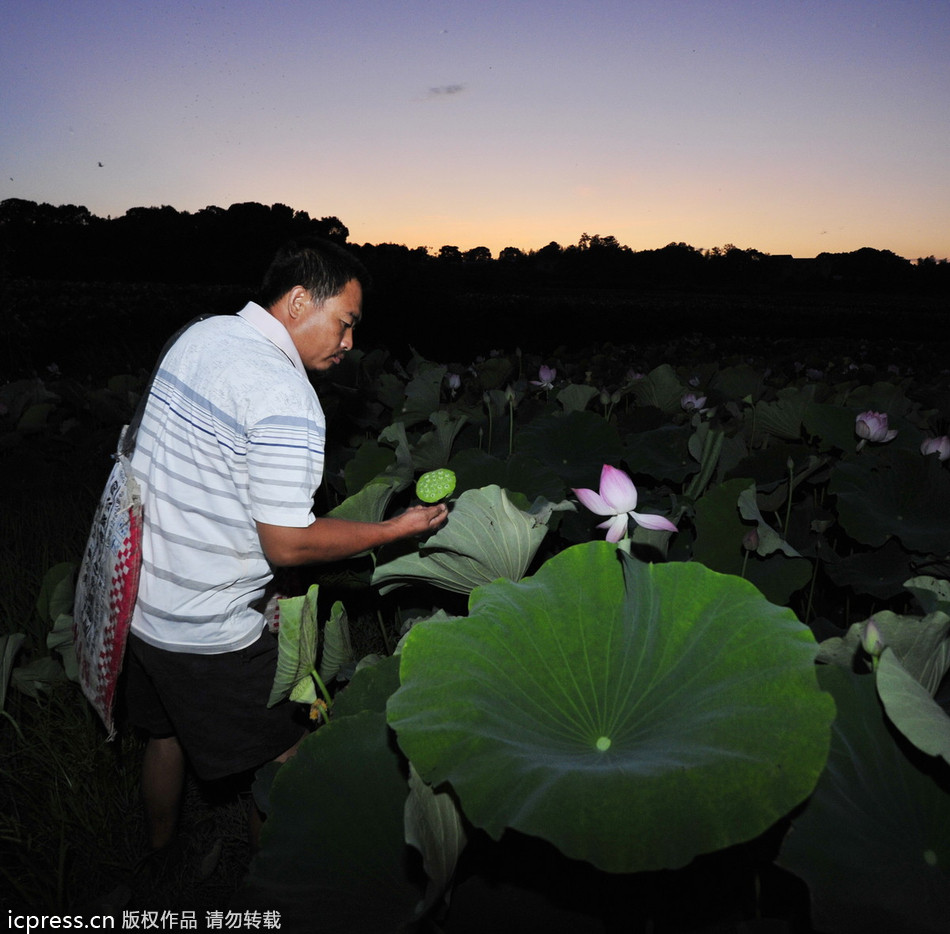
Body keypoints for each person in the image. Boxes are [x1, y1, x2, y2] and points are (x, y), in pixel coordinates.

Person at [124, 237, 448, 850]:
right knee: (293, 756)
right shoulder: (286, 396)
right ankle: (265, 895)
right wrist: (393, 530)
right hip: (205, 630)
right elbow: (288, 546)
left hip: (142, 601)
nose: (349, 344)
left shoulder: (200, 335)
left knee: (163, 737)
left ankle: (155, 865)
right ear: (299, 301)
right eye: (345, 323)